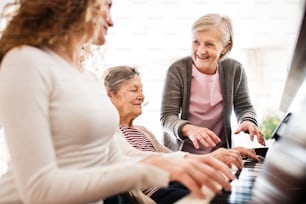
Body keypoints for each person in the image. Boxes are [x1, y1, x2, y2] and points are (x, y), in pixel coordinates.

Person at [0, 1, 235, 204]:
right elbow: (40, 190)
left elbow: (116, 159)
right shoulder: (25, 62)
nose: (111, 21)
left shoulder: (88, 78)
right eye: (106, 6)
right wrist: (159, 170)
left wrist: (191, 160)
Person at [104, 65, 258, 203]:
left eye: (141, 90)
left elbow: (173, 156)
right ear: (110, 95)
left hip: (175, 183)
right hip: (159, 191)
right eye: (133, 90)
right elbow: (132, 157)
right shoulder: (109, 131)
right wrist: (209, 159)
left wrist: (225, 154)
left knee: (230, 190)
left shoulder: (143, 131)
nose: (141, 96)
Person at [160, 13, 266, 155]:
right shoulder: (177, 70)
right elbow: (167, 117)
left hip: (219, 154)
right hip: (183, 156)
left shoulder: (235, 69)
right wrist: (190, 129)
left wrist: (247, 120)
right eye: (196, 42)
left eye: (209, 44)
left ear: (225, 47)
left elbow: (244, 107)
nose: (201, 50)